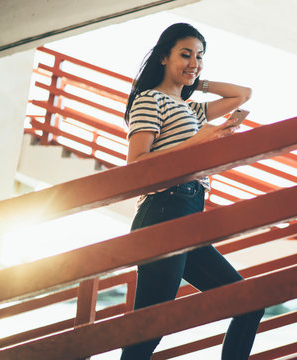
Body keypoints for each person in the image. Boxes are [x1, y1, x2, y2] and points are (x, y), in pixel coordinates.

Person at [120, 23, 264, 360]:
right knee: (148, 332)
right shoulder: (148, 100)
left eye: (200, 56)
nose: (194, 60)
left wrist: (193, 78)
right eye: (185, 54)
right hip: (163, 212)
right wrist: (198, 141)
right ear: (162, 57)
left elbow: (242, 95)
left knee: (249, 303)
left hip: (188, 218)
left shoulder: (190, 108)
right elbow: (137, 164)